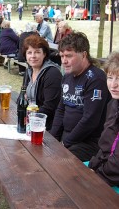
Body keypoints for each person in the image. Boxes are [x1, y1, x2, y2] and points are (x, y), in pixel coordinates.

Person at [50, 32, 111, 162]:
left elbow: (90, 120)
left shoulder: (96, 79)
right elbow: (61, 109)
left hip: (88, 143)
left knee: (57, 164)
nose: (64, 61)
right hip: (68, 138)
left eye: (69, 56)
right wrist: (52, 138)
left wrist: (64, 144)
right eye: (61, 56)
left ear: (84, 55)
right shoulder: (68, 76)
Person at [85, 52, 119, 194]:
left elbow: (117, 163)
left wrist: (98, 175)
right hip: (106, 168)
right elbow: (105, 144)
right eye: (110, 77)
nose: (113, 84)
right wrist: (93, 165)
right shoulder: (113, 104)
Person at [20, 35, 62, 130]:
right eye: (29, 52)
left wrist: (27, 118)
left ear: (44, 54)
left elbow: (49, 107)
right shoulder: (29, 71)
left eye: (37, 52)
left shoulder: (52, 74)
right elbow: (22, 97)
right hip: (30, 121)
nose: (33, 56)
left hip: (45, 125)